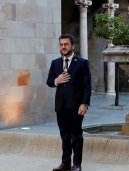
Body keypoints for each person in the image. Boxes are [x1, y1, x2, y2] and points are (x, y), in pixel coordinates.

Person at [46, 34, 91, 171]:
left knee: (76, 136)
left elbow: (87, 86)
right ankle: (65, 163)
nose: (63, 47)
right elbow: (49, 82)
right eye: (61, 44)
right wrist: (56, 81)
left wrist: (84, 103)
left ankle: (77, 164)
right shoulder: (56, 63)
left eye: (66, 44)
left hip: (77, 106)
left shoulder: (82, 62)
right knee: (64, 136)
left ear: (73, 46)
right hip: (61, 106)